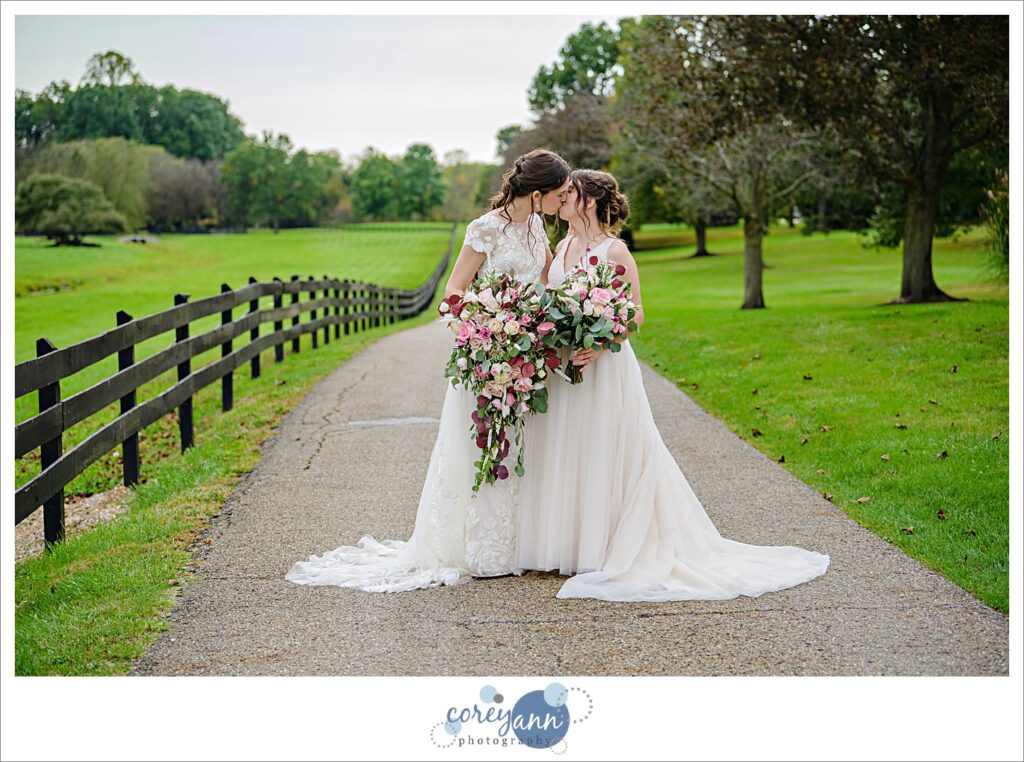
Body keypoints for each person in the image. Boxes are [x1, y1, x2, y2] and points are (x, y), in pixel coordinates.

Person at [515, 168, 831, 602]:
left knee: (607, 449)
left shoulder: (615, 251)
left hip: (604, 366)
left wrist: (602, 344)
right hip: (567, 368)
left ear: (589, 201)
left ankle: (612, 545)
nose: (563, 198)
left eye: (571, 192)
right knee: (570, 449)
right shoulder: (563, 245)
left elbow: (637, 312)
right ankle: (572, 543)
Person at [286, 149, 572, 592]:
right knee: (481, 446)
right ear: (536, 195)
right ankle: (476, 547)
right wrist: (486, 330)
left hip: (525, 355)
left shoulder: (537, 229)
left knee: (520, 446)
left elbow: (547, 285)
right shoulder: (486, 230)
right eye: (557, 195)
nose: (561, 203)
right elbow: (454, 290)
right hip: (488, 354)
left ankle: (519, 543)